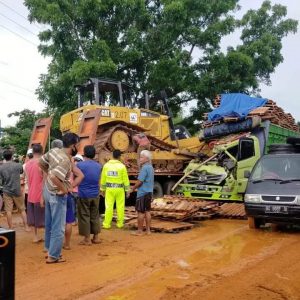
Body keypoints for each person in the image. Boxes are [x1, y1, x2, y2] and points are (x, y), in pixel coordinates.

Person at [39, 133, 83, 264]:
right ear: (73, 145)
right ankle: (54, 256)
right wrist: (64, 190)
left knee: (49, 223)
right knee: (58, 227)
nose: (78, 147)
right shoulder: (65, 160)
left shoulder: (54, 151)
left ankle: (48, 250)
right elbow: (54, 177)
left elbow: (41, 163)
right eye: (78, 144)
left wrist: (49, 173)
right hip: (56, 195)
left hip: (47, 190)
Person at [77, 145, 102, 245]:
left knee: (84, 215)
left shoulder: (80, 165)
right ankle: (96, 237)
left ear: (84, 153)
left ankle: (87, 239)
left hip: (83, 194)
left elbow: (77, 178)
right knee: (95, 215)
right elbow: (99, 181)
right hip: (95, 193)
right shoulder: (99, 166)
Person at [0, 149, 30, 231]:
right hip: (17, 189)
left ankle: (10, 228)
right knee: (22, 209)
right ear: (12, 156)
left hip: (6, 190)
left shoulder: (1, 167)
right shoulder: (18, 165)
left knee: (8, 210)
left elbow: (2, 179)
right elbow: (21, 173)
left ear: (4, 157)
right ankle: (26, 227)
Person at [101, 149, 130, 229]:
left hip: (109, 189)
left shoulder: (106, 166)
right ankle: (120, 224)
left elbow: (103, 179)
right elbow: (125, 180)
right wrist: (127, 191)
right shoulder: (122, 166)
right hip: (119, 190)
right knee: (120, 207)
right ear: (120, 157)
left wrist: (102, 190)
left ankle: (106, 224)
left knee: (108, 206)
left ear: (112, 156)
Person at [130, 150, 154, 236]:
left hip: (142, 193)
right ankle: (148, 230)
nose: (140, 159)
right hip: (149, 192)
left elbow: (140, 181)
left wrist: (133, 188)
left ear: (147, 159)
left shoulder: (144, 168)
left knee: (140, 212)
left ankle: (139, 231)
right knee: (147, 211)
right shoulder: (151, 167)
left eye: (141, 157)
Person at [25, 144, 45, 243]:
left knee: (33, 216)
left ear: (33, 152)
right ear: (42, 151)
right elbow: (45, 180)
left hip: (31, 193)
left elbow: (28, 180)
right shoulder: (42, 163)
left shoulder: (28, 164)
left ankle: (35, 236)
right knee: (45, 216)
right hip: (41, 194)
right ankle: (47, 236)